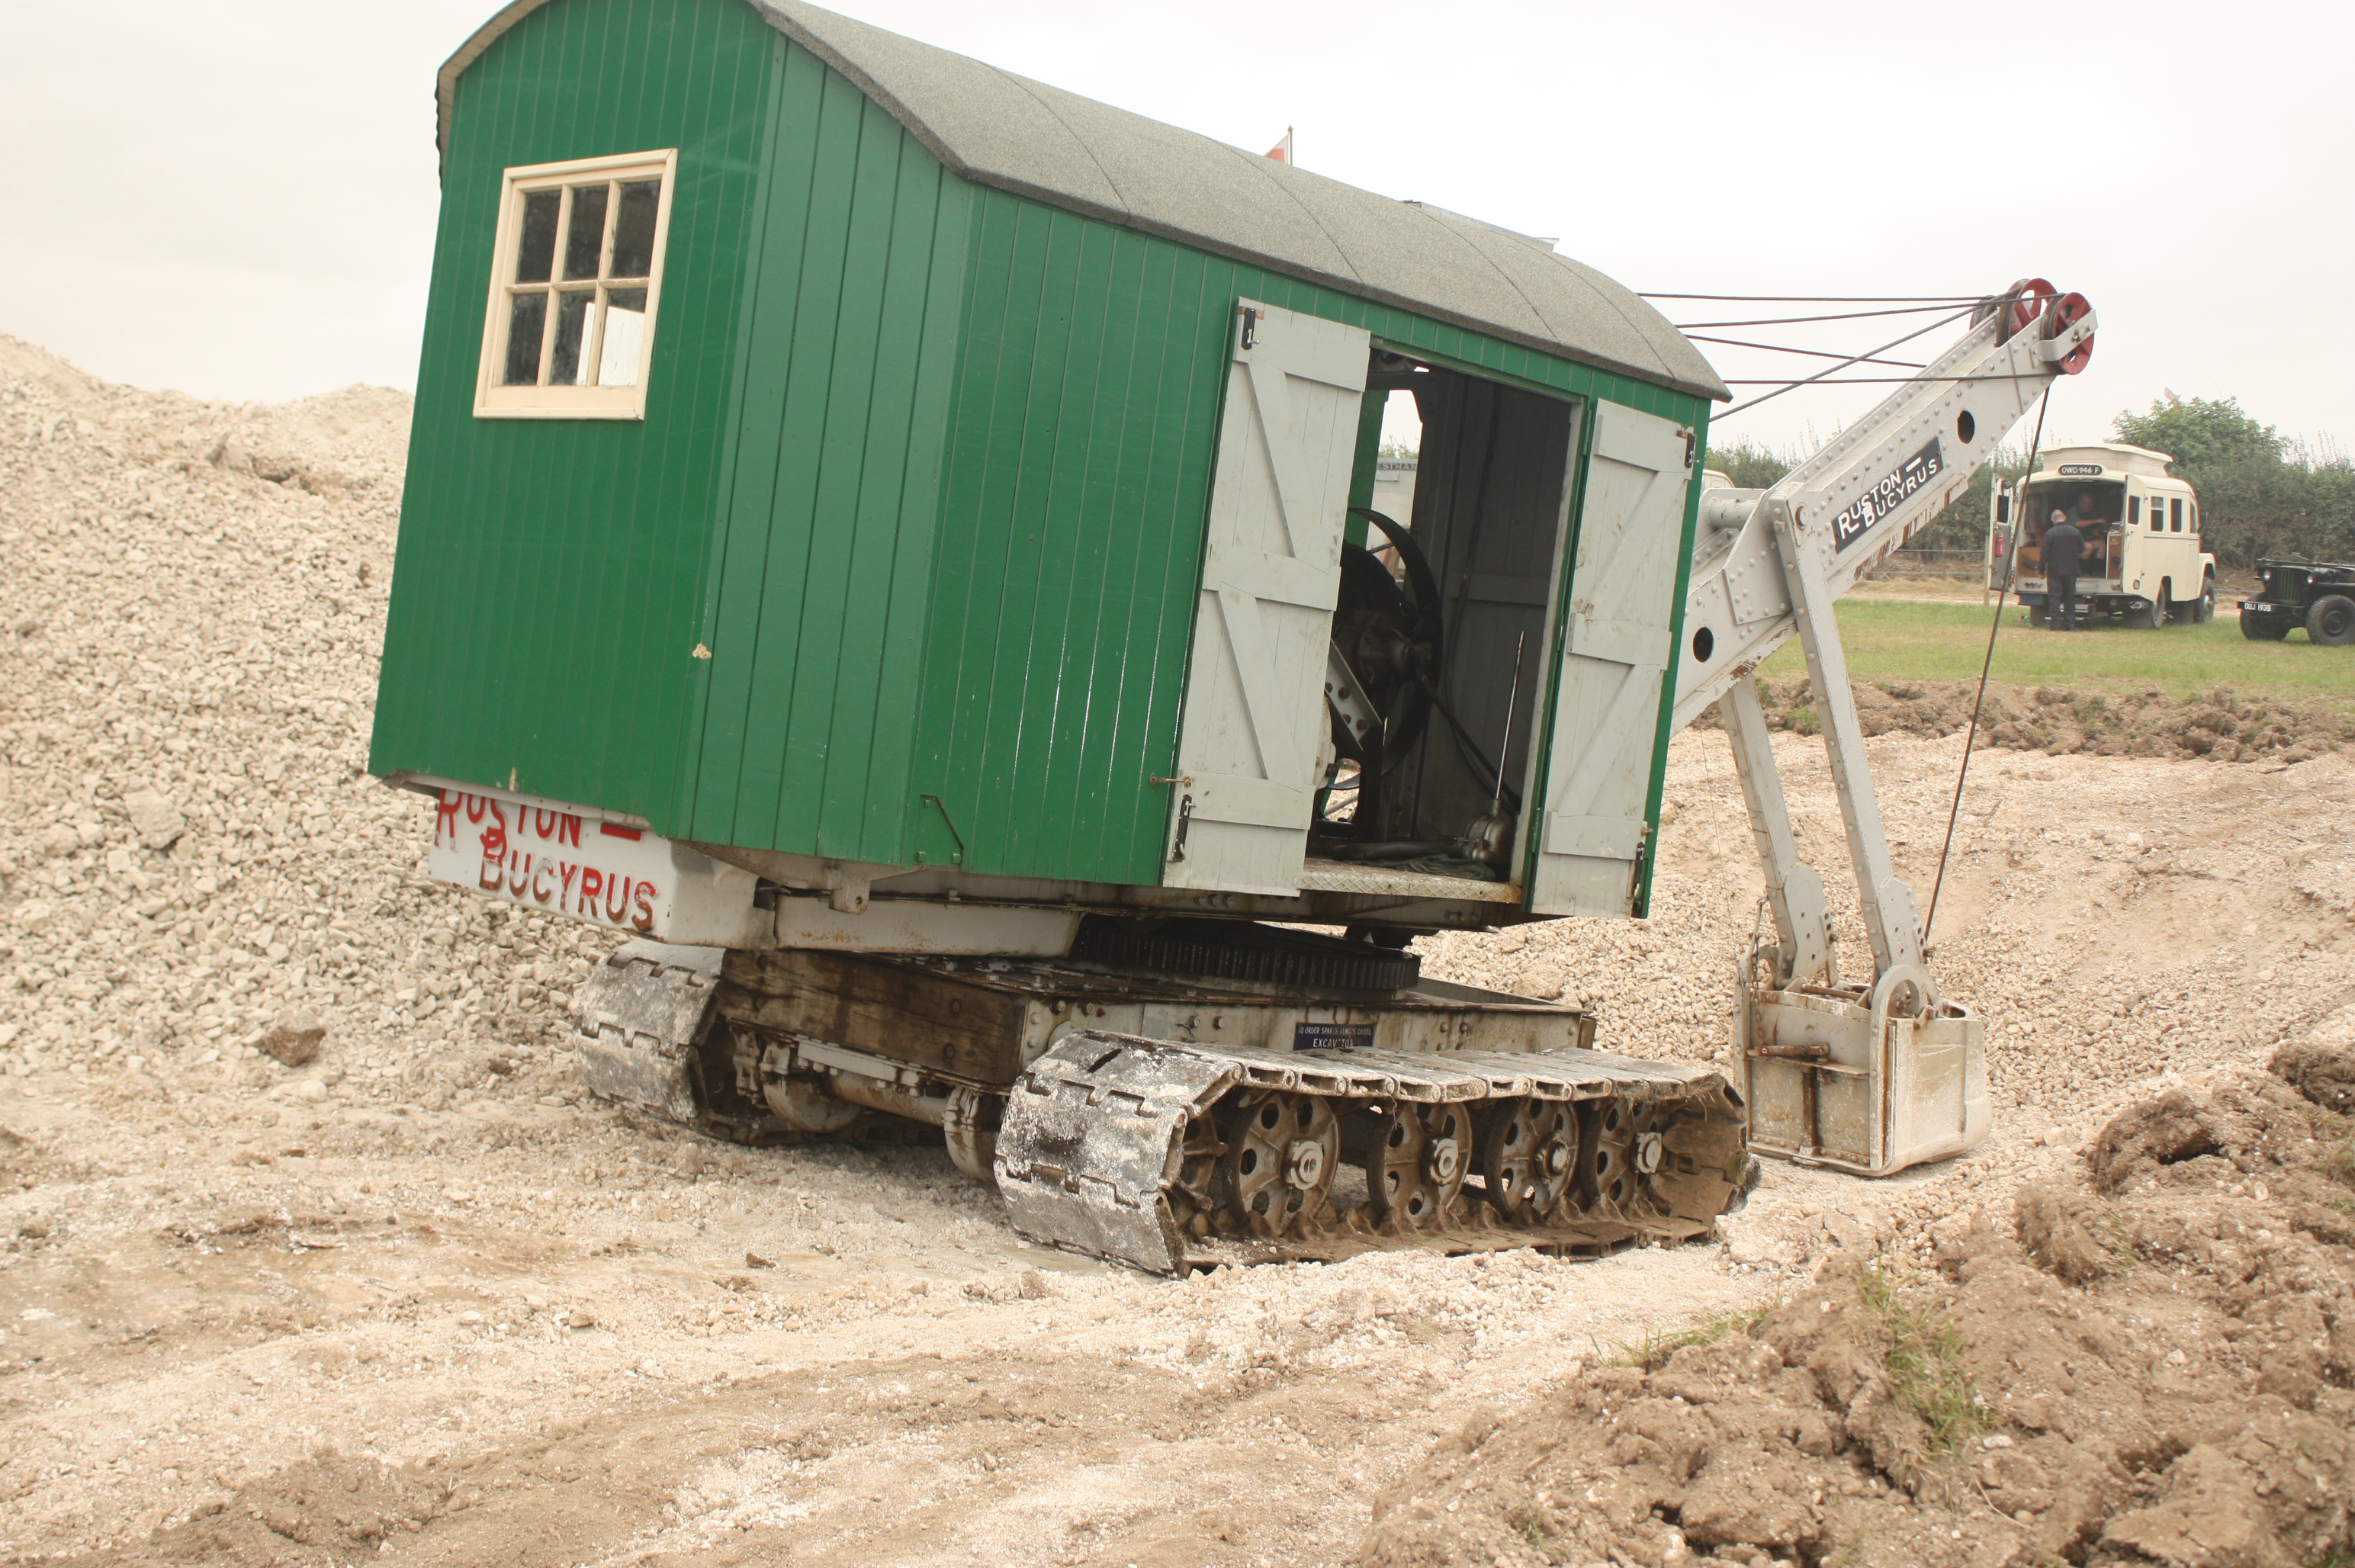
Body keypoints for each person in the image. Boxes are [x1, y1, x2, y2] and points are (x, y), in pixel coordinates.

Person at [2042, 508, 2084, 631]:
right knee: (2069, 598)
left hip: (2055, 571)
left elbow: (2044, 553)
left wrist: (2041, 570)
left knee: (2055, 597)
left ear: (2053, 520)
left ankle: (2055, 624)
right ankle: (2070, 625)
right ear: (2064, 518)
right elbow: (2082, 548)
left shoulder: (2050, 533)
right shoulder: (2075, 532)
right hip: (2071, 570)